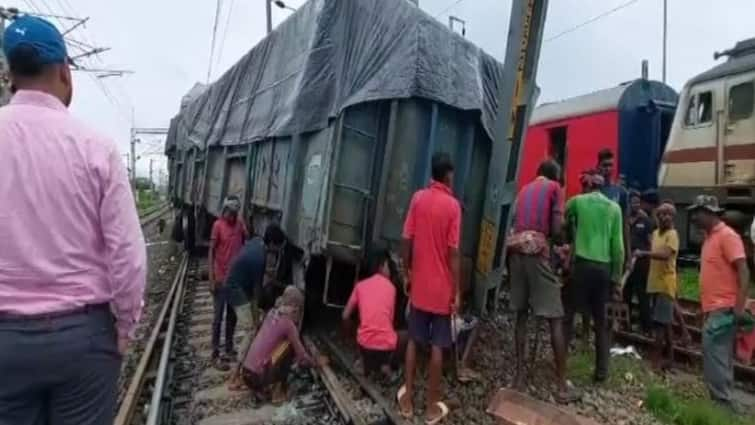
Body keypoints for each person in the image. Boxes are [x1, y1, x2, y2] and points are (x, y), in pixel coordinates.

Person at [0, 16, 147, 424]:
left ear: (10, 74)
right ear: (66, 71)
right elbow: (128, 255)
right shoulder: (96, 148)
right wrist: (126, 325)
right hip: (83, 339)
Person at [506, 160, 578, 403]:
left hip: (515, 253)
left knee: (521, 316)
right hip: (537, 254)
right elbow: (556, 230)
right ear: (554, 175)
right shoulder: (555, 189)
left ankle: (519, 378)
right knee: (556, 318)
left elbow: (513, 222)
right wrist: (564, 237)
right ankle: (561, 386)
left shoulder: (523, 190)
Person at [398, 152, 461, 424]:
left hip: (420, 286)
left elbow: (405, 240)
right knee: (438, 346)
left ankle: (408, 400)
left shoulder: (418, 198)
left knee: (414, 340)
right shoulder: (453, 206)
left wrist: (406, 271)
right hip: (442, 290)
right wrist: (456, 291)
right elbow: (454, 254)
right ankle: (431, 408)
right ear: (447, 175)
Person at [689, 195, 750, 410]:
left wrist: (739, 307)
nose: (694, 216)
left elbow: (743, 271)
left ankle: (722, 403)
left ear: (710, 213)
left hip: (724, 308)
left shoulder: (727, 236)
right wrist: (702, 307)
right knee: (720, 355)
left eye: (698, 212)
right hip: (715, 308)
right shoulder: (709, 238)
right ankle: (724, 402)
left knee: (714, 353)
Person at [563, 170, 624, 383]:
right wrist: (616, 278)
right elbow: (618, 248)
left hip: (581, 265)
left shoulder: (578, 201)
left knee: (569, 314)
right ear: (605, 187)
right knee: (600, 322)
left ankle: (561, 363)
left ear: (588, 185)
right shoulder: (614, 208)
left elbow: (564, 216)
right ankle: (601, 372)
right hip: (603, 269)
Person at [241, 286, 318, 403]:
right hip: (257, 377)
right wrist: (316, 363)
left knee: (277, 346)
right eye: (299, 309)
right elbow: (302, 357)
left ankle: (260, 389)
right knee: (288, 346)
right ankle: (276, 393)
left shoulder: (271, 312)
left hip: (246, 374)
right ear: (295, 307)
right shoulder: (288, 324)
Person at [343, 246, 401, 381]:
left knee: (358, 321)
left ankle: (364, 361)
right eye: (387, 265)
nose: (389, 269)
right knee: (405, 337)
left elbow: (345, 316)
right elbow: (390, 322)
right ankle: (385, 366)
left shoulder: (360, 286)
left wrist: (351, 333)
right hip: (386, 349)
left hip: (364, 346)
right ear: (381, 266)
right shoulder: (392, 288)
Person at [634, 202, 679, 370]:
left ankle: (655, 363)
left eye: (667, 214)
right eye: (660, 214)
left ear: (672, 217)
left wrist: (644, 253)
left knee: (659, 325)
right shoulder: (655, 234)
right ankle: (671, 361)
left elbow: (665, 255)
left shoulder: (672, 234)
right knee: (665, 324)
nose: (663, 217)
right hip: (655, 283)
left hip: (665, 284)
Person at [225, 220, 268, 391]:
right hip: (236, 290)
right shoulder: (261, 258)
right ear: (272, 244)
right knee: (251, 330)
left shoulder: (255, 243)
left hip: (234, 285)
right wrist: (257, 319)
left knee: (250, 327)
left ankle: (240, 370)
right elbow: (257, 292)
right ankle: (235, 377)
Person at [209, 196, 249, 369]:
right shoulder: (217, 226)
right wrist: (211, 277)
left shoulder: (240, 225)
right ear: (224, 211)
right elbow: (211, 251)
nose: (232, 217)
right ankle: (215, 353)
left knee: (232, 317)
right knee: (218, 317)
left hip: (235, 281)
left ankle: (229, 348)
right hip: (220, 279)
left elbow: (246, 242)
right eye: (230, 213)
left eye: (235, 214)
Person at [624, 191, 654, 333]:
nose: (635, 204)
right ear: (628, 203)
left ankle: (646, 326)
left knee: (642, 294)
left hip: (641, 263)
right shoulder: (625, 220)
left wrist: (647, 254)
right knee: (626, 292)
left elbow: (650, 242)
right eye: (633, 202)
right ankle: (626, 323)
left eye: (637, 202)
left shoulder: (646, 221)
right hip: (627, 261)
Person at [597, 149, 631, 268]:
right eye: (605, 165)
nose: (608, 169)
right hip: (595, 246)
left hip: (614, 246)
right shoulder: (592, 190)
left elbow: (625, 224)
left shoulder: (621, 192)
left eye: (610, 165)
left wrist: (628, 256)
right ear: (598, 166)